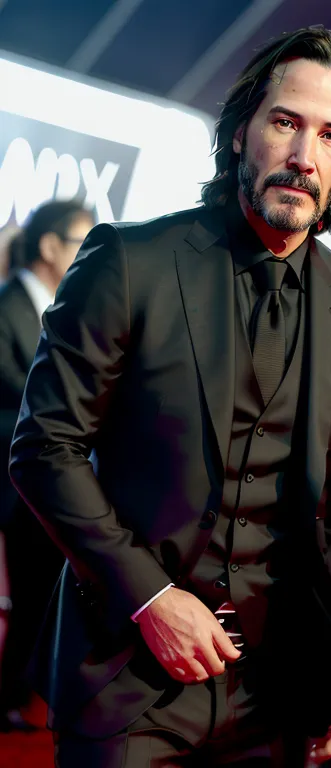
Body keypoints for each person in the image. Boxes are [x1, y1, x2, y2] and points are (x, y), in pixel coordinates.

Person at [9, 27, 331, 766]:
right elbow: (44, 449)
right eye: (286, 122)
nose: (304, 156)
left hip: (272, 693)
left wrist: (329, 662)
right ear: (242, 131)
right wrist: (152, 598)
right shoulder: (129, 262)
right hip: (126, 676)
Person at [0, 200, 94, 730]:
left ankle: (12, 695)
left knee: (35, 599)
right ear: (50, 247)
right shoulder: (7, 305)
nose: (90, 255)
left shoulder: (63, 313)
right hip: (11, 480)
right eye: (82, 243)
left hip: (35, 488)